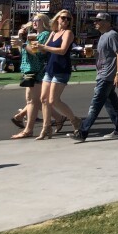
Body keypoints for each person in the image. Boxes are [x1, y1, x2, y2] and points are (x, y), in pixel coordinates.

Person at [74, 13, 118, 142]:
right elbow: (107, 54)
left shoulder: (112, 35)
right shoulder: (103, 36)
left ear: (106, 22)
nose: (95, 23)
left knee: (96, 104)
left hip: (107, 75)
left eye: (98, 20)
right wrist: (92, 53)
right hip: (102, 74)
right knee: (111, 103)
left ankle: (83, 131)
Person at [33, 10, 82, 139]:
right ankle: (46, 128)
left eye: (68, 19)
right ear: (57, 19)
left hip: (61, 69)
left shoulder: (68, 33)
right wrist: (38, 47)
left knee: (53, 100)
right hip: (50, 68)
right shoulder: (53, 33)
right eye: (64, 18)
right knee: (44, 99)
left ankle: (74, 120)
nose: (66, 21)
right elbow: (45, 51)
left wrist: (44, 47)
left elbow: (62, 50)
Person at [10, 17, 51, 139]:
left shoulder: (44, 34)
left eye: (37, 20)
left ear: (43, 22)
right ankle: (59, 119)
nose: (34, 21)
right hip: (28, 68)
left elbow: (36, 53)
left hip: (36, 69)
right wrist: (20, 41)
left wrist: (22, 43)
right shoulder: (33, 34)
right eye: (33, 19)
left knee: (33, 101)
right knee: (32, 100)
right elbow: (24, 52)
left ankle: (29, 130)